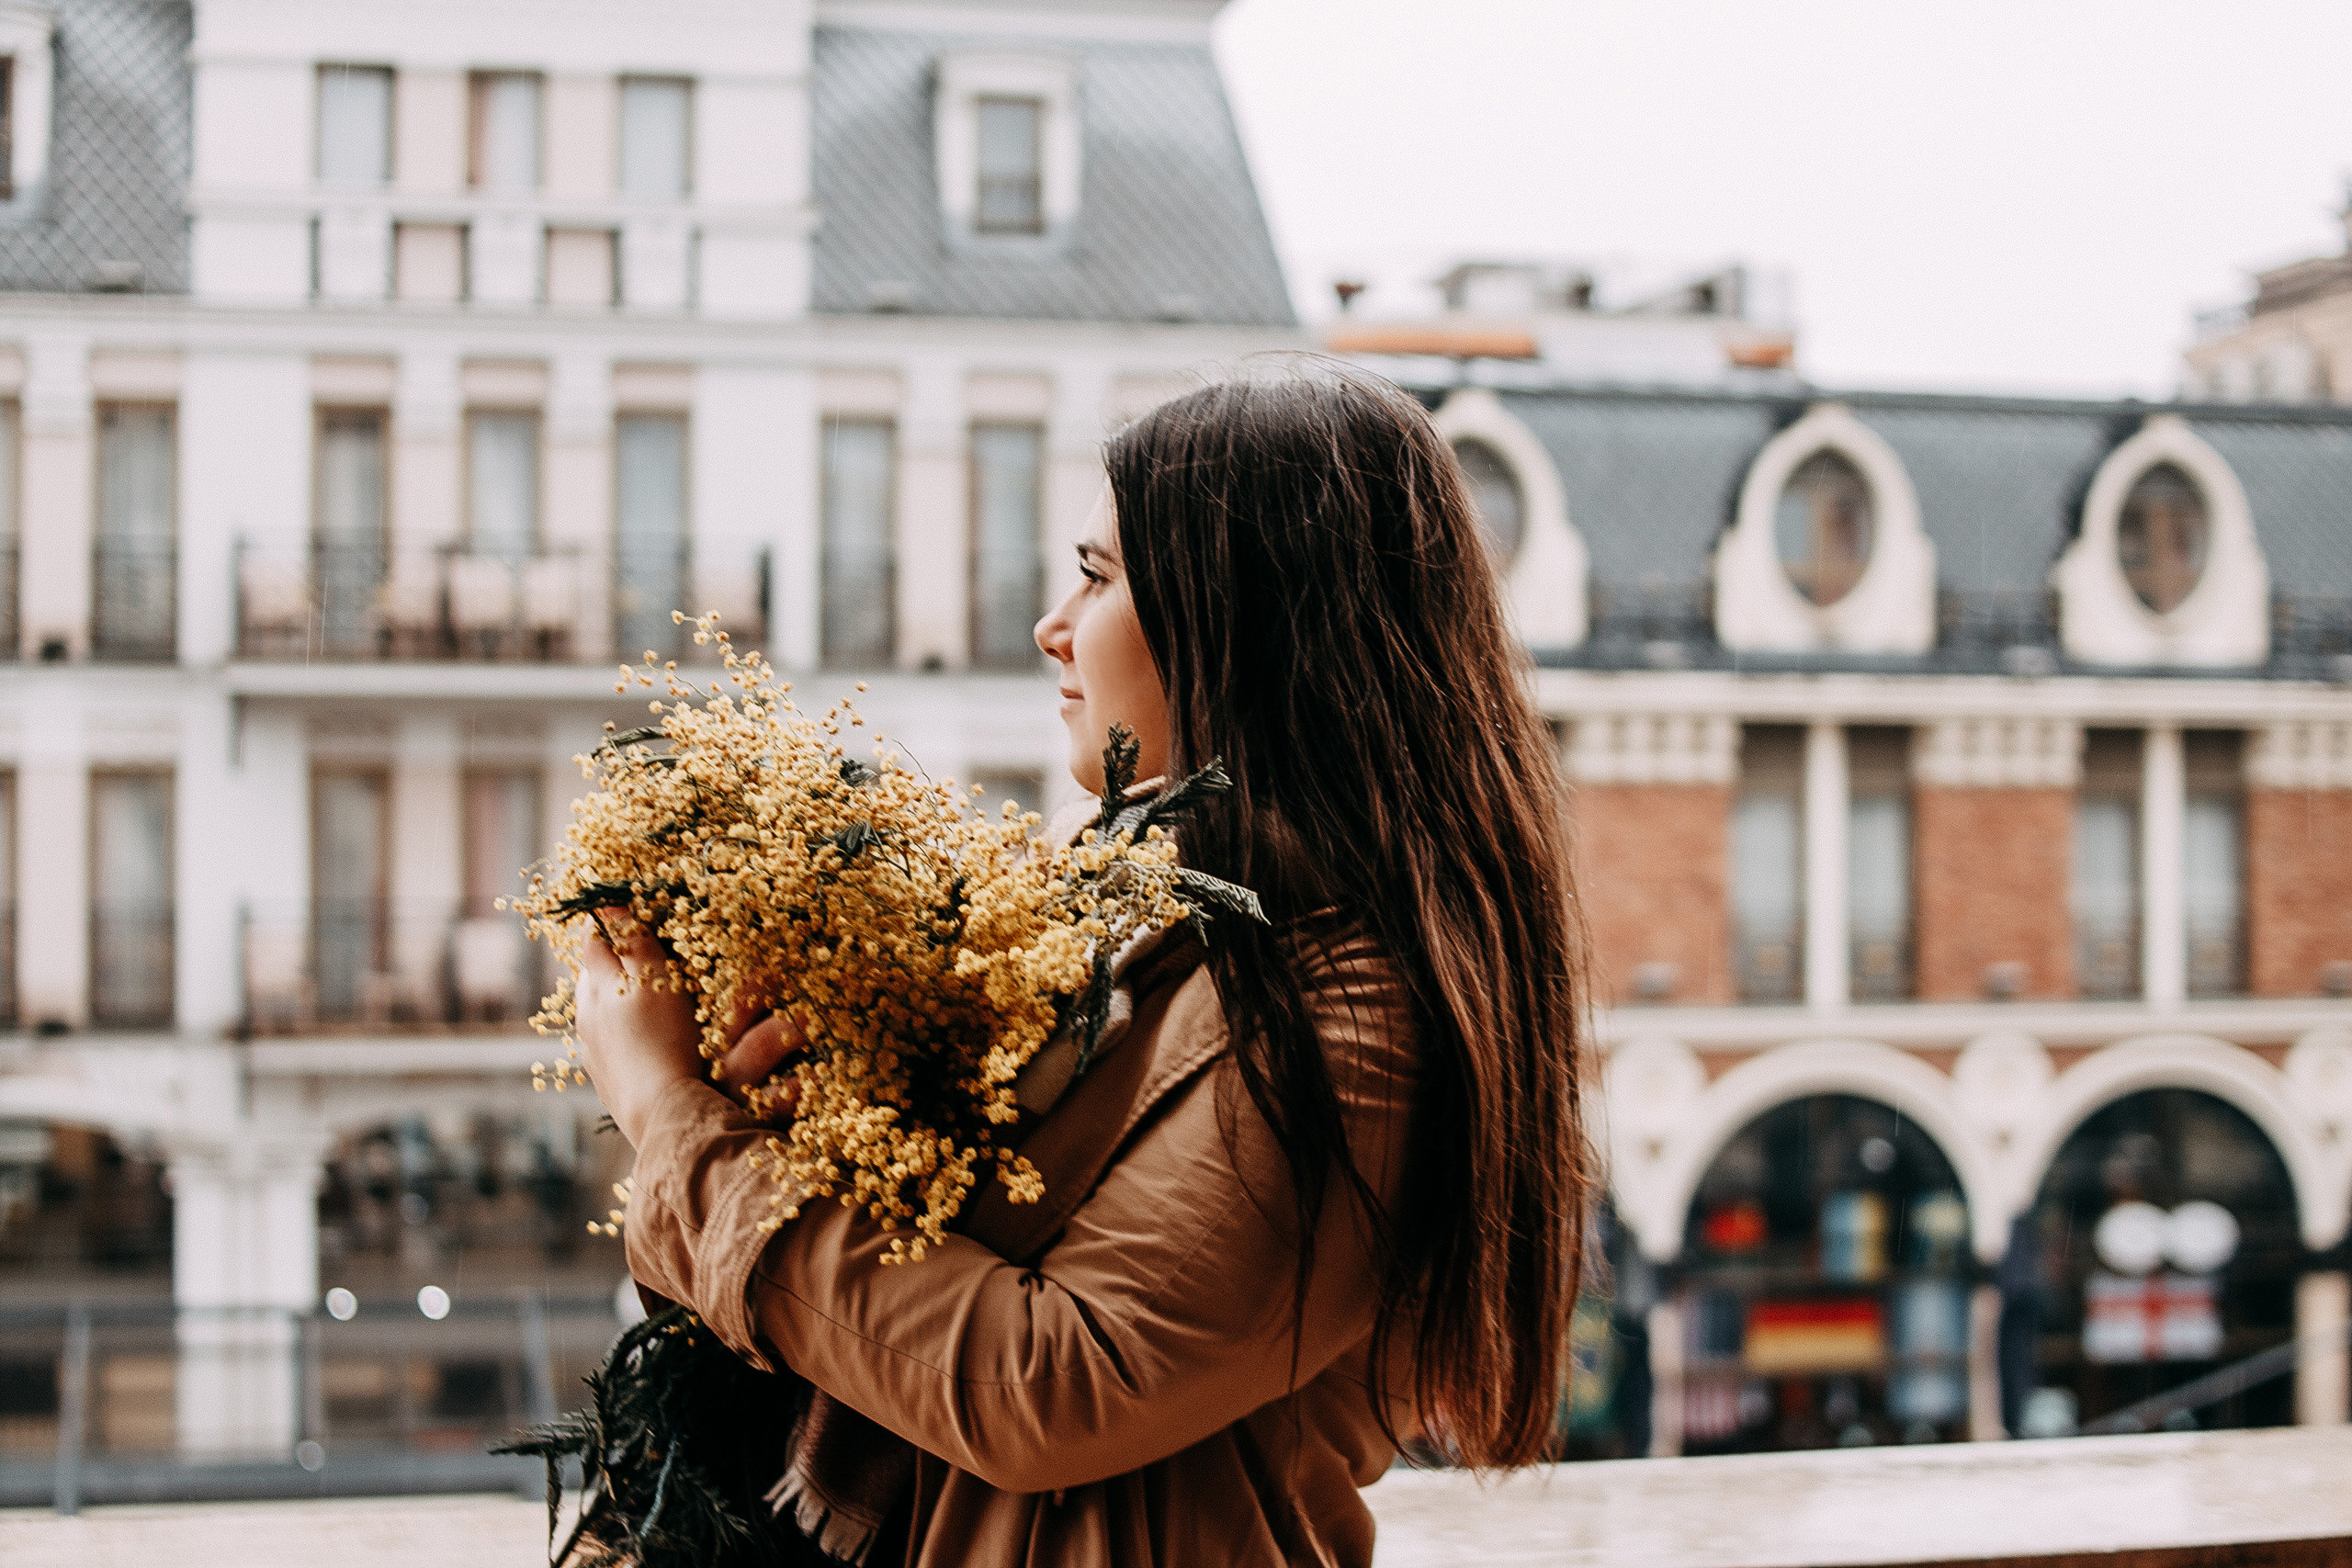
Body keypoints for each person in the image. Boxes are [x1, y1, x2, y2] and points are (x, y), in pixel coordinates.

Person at [574, 364, 1589, 1567]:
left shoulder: (1353, 1011)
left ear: (1246, 624)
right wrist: (795, 1090)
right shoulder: (1103, 909)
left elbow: (1053, 1386)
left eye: (1101, 578)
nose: (1053, 626)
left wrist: (676, 1123)